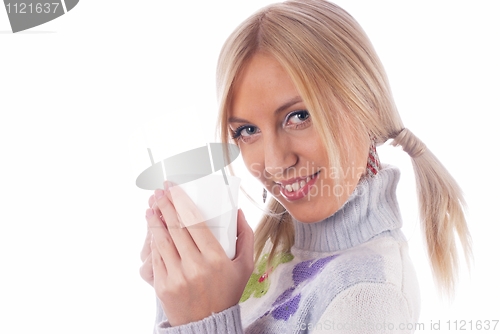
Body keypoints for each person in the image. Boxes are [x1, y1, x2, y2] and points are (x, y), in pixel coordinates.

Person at [140, 0, 472, 332]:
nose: (274, 162)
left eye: (299, 116)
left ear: (367, 102)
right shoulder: (267, 251)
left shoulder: (367, 297)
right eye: (247, 131)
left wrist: (203, 319)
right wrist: (179, 299)